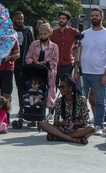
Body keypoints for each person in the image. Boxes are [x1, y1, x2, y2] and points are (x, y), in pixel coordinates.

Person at [73, 8, 106, 136]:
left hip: (99, 73)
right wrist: (75, 72)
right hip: (83, 73)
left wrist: (105, 74)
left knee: (100, 100)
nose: (94, 17)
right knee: (80, 100)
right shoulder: (85, 34)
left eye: (97, 15)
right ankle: (80, 123)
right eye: (92, 15)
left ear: (101, 17)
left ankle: (98, 124)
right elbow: (78, 53)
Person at [39, 74, 94, 144]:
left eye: (63, 87)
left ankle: (59, 137)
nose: (60, 89)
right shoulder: (59, 101)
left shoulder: (81, 100)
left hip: (77, 129)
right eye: (59, 87)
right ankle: (73, 139)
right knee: (41, 123)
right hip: (62, 129)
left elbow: (85, 121)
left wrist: (73, 124)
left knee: (92, 129)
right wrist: (62, 123)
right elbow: (55, 121)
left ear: (70, 88)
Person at [25, 22, 59, 112]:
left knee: (46, 92)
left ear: (49, 34)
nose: (43, 36)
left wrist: (46, 63)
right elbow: (27, 57)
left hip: (47, 73)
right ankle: (32, 115)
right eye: (41, 34)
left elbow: (55, 61)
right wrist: (33, 62)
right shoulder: (34, 44)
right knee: (33, 90)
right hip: (35, 72)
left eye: (45, 34)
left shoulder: (54, 47)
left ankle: (44, 112)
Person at [11, 11, 35, 112]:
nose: (20, 21)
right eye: (18, 18)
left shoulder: (27, 31)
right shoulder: (9, 30)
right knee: (8, 88)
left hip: (22, 63)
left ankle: (22, 108)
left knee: (21, 86)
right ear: (13, 19)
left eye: (21, 19)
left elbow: (33, 45)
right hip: (10, 62)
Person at [50, 10, 79, 87]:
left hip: (67, 64)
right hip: (55, 63)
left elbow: (79, 45)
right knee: (52, 87)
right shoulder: (53, 32)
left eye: (63, 18)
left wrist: (74, 49)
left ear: (68, 20)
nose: (61, 20)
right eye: (60, 18)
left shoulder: (74, 32)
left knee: (67, 87)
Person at [0, 40, 20, 122]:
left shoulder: (12, 38)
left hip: (8, 69)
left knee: (7, 94)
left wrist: (10, 57)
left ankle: (6, 115)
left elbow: (17, 54)